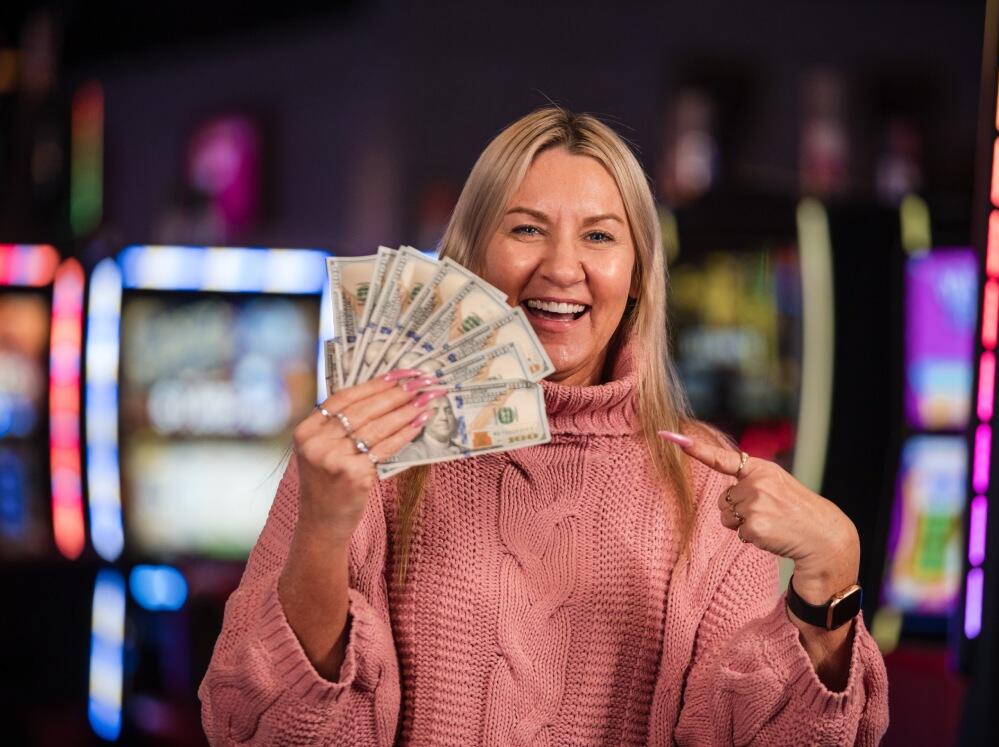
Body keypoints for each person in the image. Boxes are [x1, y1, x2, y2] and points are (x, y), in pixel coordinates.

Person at [200, 108, 888, 745]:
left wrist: (831, 576)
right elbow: (258, 731)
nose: (562, 267)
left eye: (599, 235)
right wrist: (322, 528)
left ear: (639, 274)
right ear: (472, 256)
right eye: (526, 227)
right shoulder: (363, 453)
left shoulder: (708, 486)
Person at [392, 395, 461, 462]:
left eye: (448, 411)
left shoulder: (464, 450)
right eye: (434, 412)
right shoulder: (412, 454)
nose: (444, 417)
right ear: (422, 420)